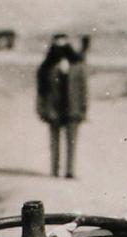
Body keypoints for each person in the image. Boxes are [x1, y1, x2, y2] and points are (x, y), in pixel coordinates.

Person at [36, 33, 88, 178]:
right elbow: (41, 91)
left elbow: (84, 89)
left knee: (71, 142)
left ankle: (70, 171)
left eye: (63, 44)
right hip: (54, 109)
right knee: (54, 142)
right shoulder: (46, 67)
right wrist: (41, 109)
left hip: (73, 109)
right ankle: (54, 170)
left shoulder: (77, 66)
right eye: (57, 44)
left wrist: (84, 108)